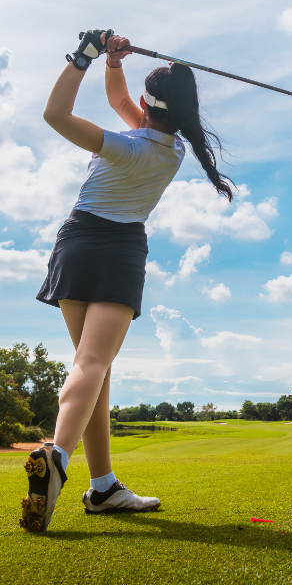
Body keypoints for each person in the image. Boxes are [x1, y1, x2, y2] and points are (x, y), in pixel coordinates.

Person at [20, 30, 234, 533]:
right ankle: (58, 458)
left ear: (147, 103)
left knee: (92, 367)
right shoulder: (172, 149)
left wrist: (86, 57)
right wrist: (115, 63)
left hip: (76, 244)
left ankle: (101, 486)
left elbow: (54, 114)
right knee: (94, 365)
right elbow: (122, 100)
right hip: (120, 252)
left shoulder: (123, 145)